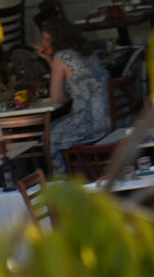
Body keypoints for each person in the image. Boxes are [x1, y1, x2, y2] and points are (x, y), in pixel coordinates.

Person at [36, 17, 111, 169]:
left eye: (46, 39)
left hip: (90, 123)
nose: (43, 44)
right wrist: (49, 60)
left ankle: (62, 178)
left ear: (57, 38)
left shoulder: (62, 56)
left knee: (49, 136)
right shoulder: (88, 52)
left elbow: (57, 97)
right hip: (110, 118)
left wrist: (70, 96)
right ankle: (83, 169)